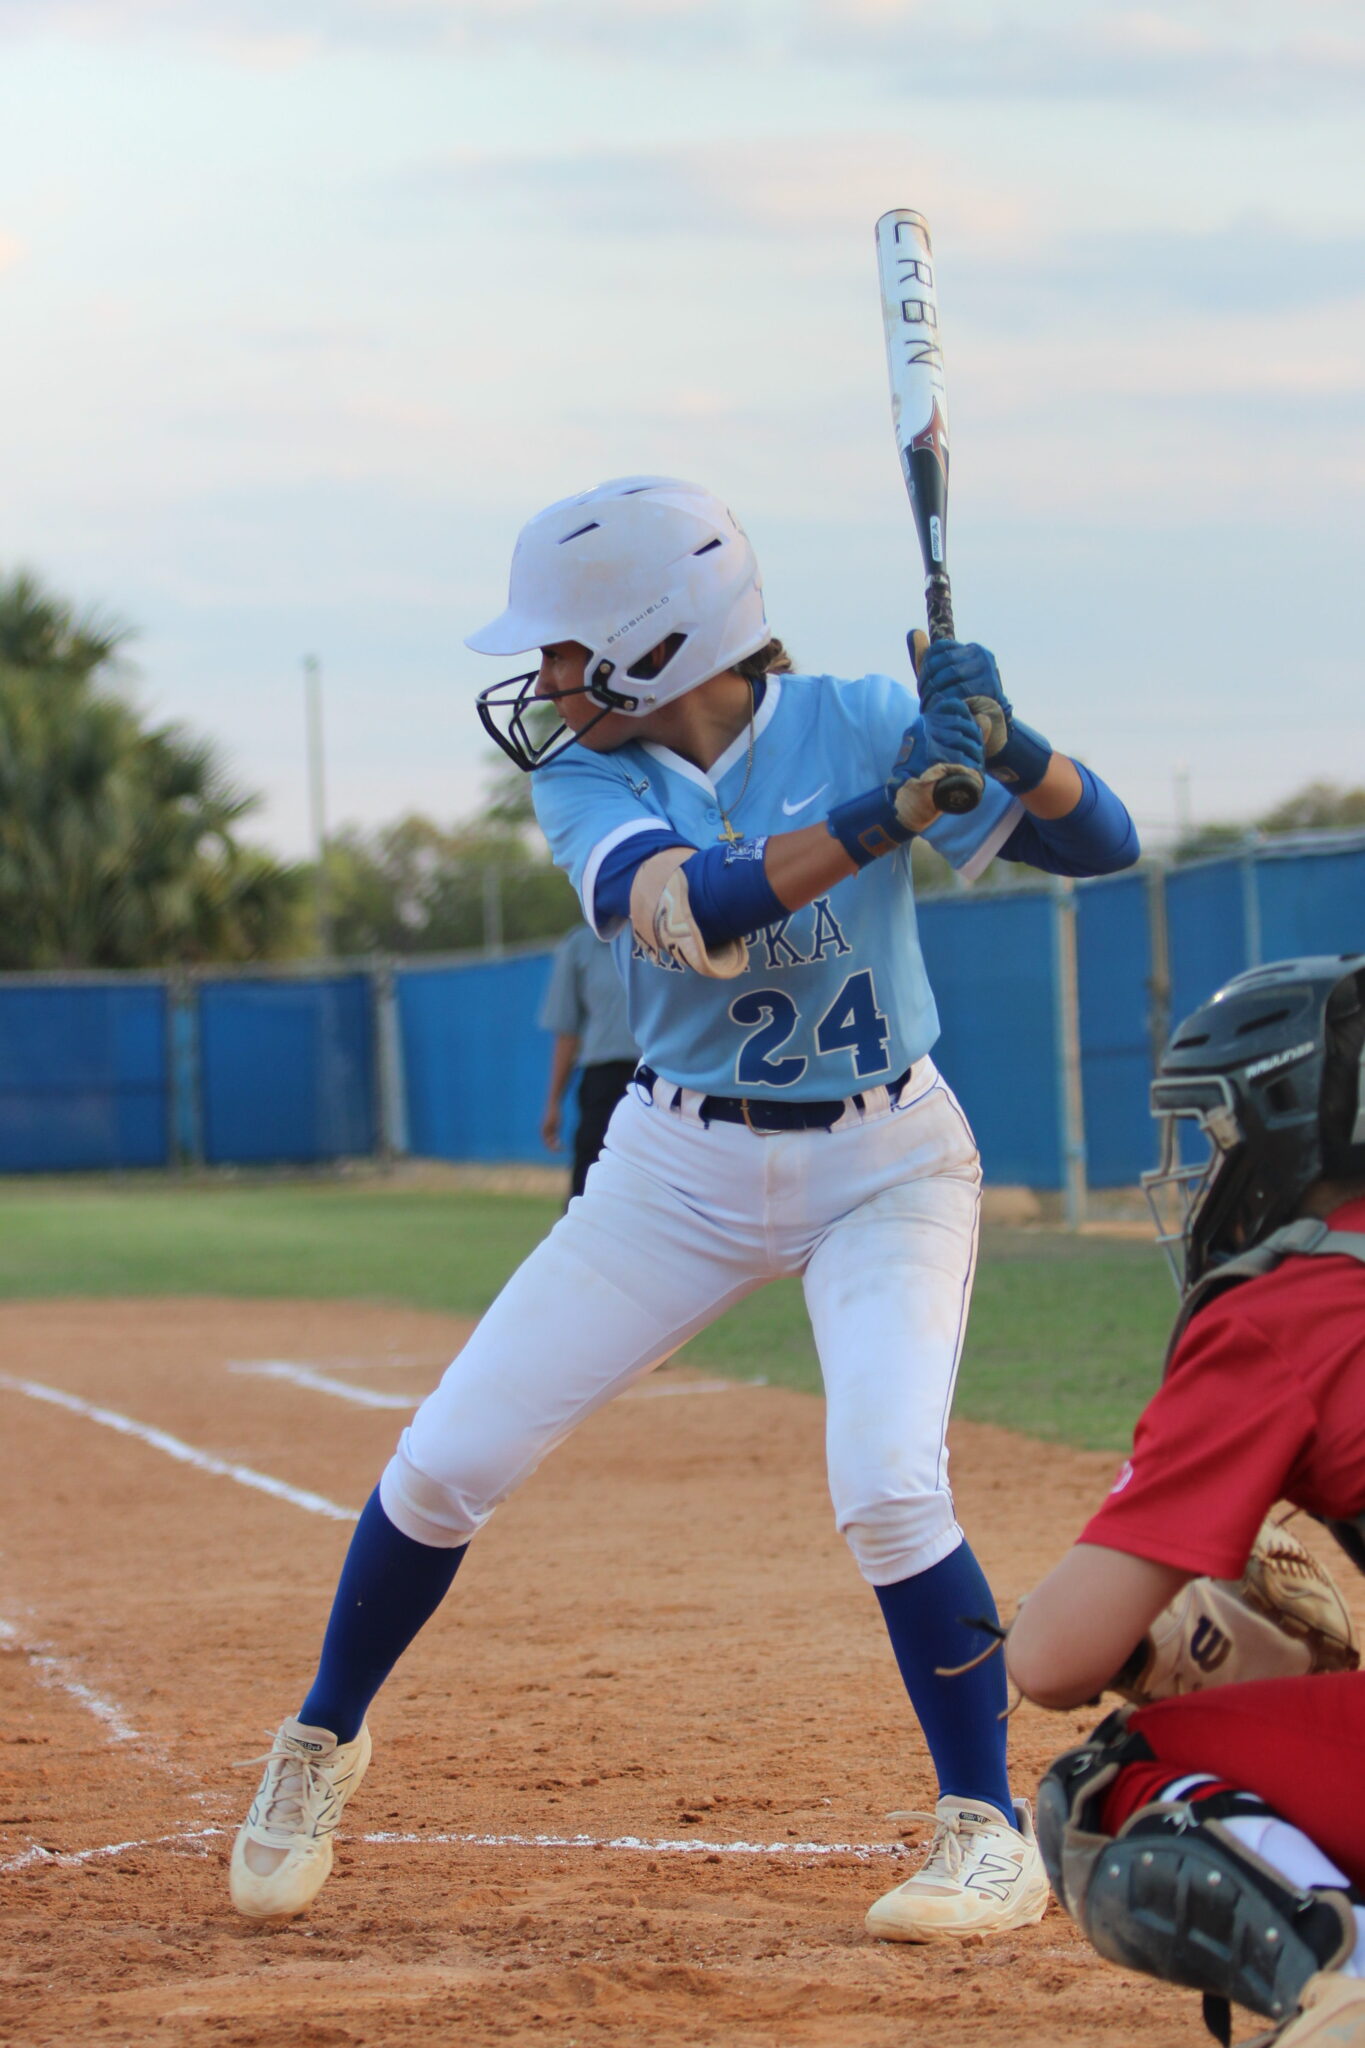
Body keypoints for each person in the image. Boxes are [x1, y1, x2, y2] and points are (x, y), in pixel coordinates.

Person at [230, 474, 1138, 1936]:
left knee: (890, 1481)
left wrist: (1016, 752)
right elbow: (695, 910)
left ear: (659, 641)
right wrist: (888, 808)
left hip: (885, 1159)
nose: (542, 683)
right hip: (674, 1167)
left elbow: (1103, 847)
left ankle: (984, 1830)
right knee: (449, 1455)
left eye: (566, 652)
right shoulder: (586, 777)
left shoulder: (855, 717)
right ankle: (322, 1737)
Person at [1006, 955, 1365, 2045]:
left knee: (1109, 1783)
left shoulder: (1285, 1307)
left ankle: (1347, 1983)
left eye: (1214, 1139)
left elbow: (1050, 1659)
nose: (1207, 1176)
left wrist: (1187, 1639)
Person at [539, 919, 639, 1199]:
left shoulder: (667, 932)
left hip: (659, 1076)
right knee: (589, 1175)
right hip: (603, 1079)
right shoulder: (581, 946)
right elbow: (567, 1031)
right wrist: (553, 1104)